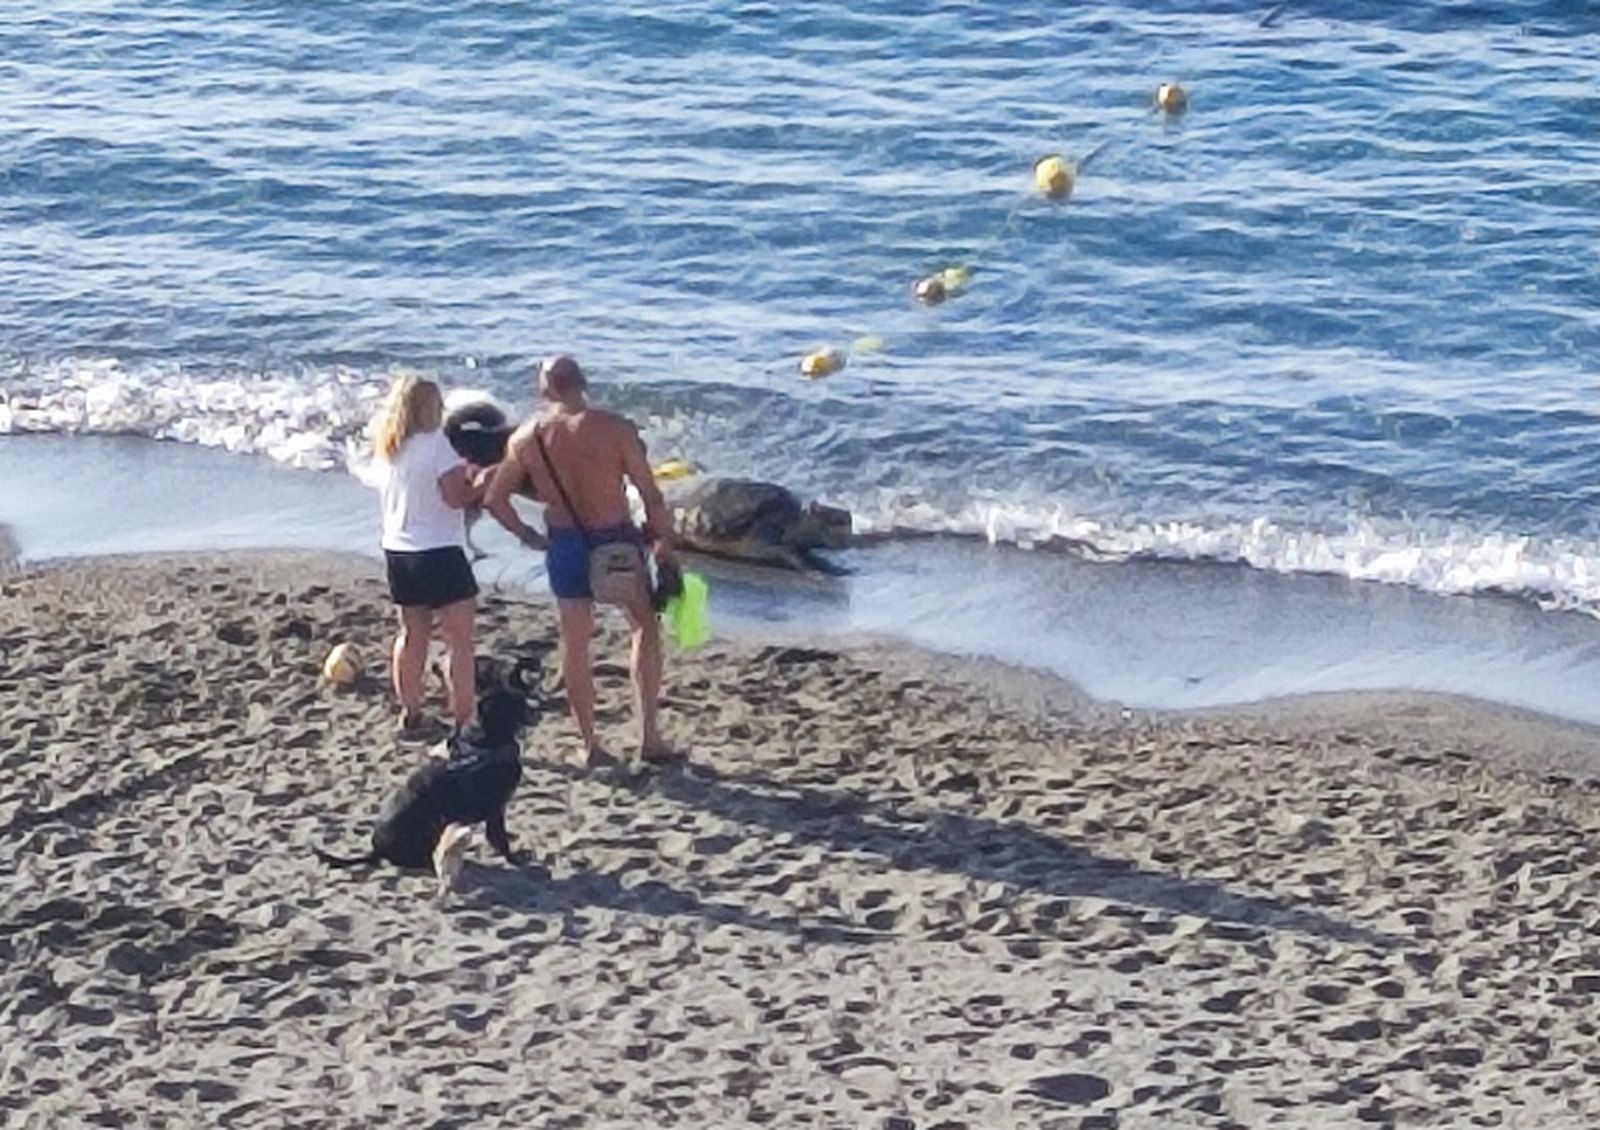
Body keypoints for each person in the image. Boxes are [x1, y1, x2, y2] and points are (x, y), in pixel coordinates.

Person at [484, 355, 680, 764]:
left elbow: (495, 500)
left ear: (544, 390)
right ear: (584, 382)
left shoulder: (526, 438)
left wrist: (527, 535)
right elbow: (651, 494)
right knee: (644, 628)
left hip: (565, 544)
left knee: (575, 644)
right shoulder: (615, 429)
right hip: (616, 541)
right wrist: (664, 545)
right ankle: (648, 736)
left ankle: (590, 744)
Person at [371, 374, 491, 735]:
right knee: (459, 642)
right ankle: (464, 719)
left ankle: (410, 711)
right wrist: (482, 482)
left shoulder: (389, 447)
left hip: (398, 549)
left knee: (412, 635)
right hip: (439, 548)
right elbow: (455, 497)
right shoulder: (436, 444)